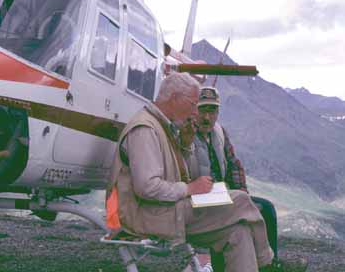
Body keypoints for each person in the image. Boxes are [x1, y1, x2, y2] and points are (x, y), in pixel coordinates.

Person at [106, 72, 273, 272]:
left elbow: (172, 173)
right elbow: (147, 187)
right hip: (146, 216)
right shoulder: (145, 129)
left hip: (166, 210)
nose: (195, 112)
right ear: (175, 98)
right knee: (242, 201)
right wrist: (190, 188)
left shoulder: (162, 126)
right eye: (193, 104)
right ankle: (267, 261)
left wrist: (184, 146)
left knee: (239, 231)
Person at [184, 86, 280, 271]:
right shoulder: (186, 135)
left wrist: (242, 193)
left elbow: (233, 164)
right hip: (199, 200)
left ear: (218, 112)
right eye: (202, 110)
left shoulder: (219, 133)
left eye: (212, 111)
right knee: (240, 218)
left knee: (264, 208)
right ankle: (268, 265)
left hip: (224, 195)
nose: (207, 117)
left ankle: (266, 264)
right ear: (194, 110)